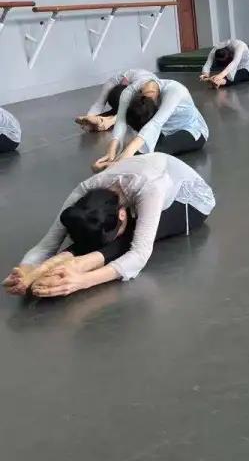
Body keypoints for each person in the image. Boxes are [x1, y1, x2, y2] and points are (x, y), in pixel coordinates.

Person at [3, 153, 215, 298]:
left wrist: (82, 281)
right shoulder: (85, 190)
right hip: (142, 187)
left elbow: (140, 255)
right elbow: (46, 244)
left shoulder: (150, 189)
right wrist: (26, 270)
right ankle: (70, 263)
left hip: (190, 199)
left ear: (123, 213)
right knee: (90, 229)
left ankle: (79, 264)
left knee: (130, 236)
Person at [94, 76, 208, 170]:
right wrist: (111, 150)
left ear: (157, 94)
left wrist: (122, 160)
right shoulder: (129, 91)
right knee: (135, 146)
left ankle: (122, 163)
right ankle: (122, 160)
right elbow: (121, 119)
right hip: (162, 130)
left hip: (192, 130)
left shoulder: (175, 91)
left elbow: (155, 123)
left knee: (154, 149)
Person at [75, 68, 155, 132]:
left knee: (102, 104)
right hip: (119, 85)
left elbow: (99, 104)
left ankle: (92, 121)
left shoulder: (144, 87)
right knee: (128, 111)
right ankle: (98, 121)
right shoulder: (139, 87)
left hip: (120, 83)